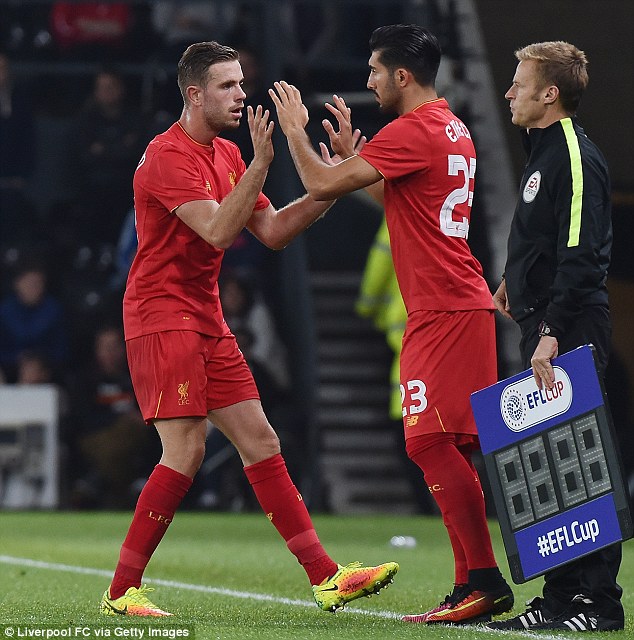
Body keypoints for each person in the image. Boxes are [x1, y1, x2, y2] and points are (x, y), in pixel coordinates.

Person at [99, 41, 398, 618]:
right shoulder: (167, 156)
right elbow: (215, 231)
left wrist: (337, 181)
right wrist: (263, 163)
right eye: (228, 86)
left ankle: (327, 578)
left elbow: (276, 229)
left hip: (205, 315)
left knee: (261, 441)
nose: (242, 95)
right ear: (194, 94)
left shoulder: (228, 154)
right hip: (162, 315)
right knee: (185, 448)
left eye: (242, 83)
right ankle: (121, 591)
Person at [270, 23, 513, 625]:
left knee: (427, 441)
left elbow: (318, 183)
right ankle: (468, 586)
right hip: (458, 302)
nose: (369, 80)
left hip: (444, 309)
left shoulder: (413, 130)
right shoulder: (450, 127)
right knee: (448, 443)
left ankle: (485, 579)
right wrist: (360, 164)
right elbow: (407, 202)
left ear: (403, 76)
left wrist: (297, 134)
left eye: (376, 71)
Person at [487, 41, 623, 633]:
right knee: (550, 470)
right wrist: (513, 279)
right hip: (543, 323)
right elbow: (548, 240)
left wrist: (551, 331)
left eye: (520, 83)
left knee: (581, 469)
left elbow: (584, 254)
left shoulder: (572, 152)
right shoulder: (542, 151)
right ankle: (560, 599)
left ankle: (598, 603)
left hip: (565, 330)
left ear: (551, 93)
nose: (509, 91)